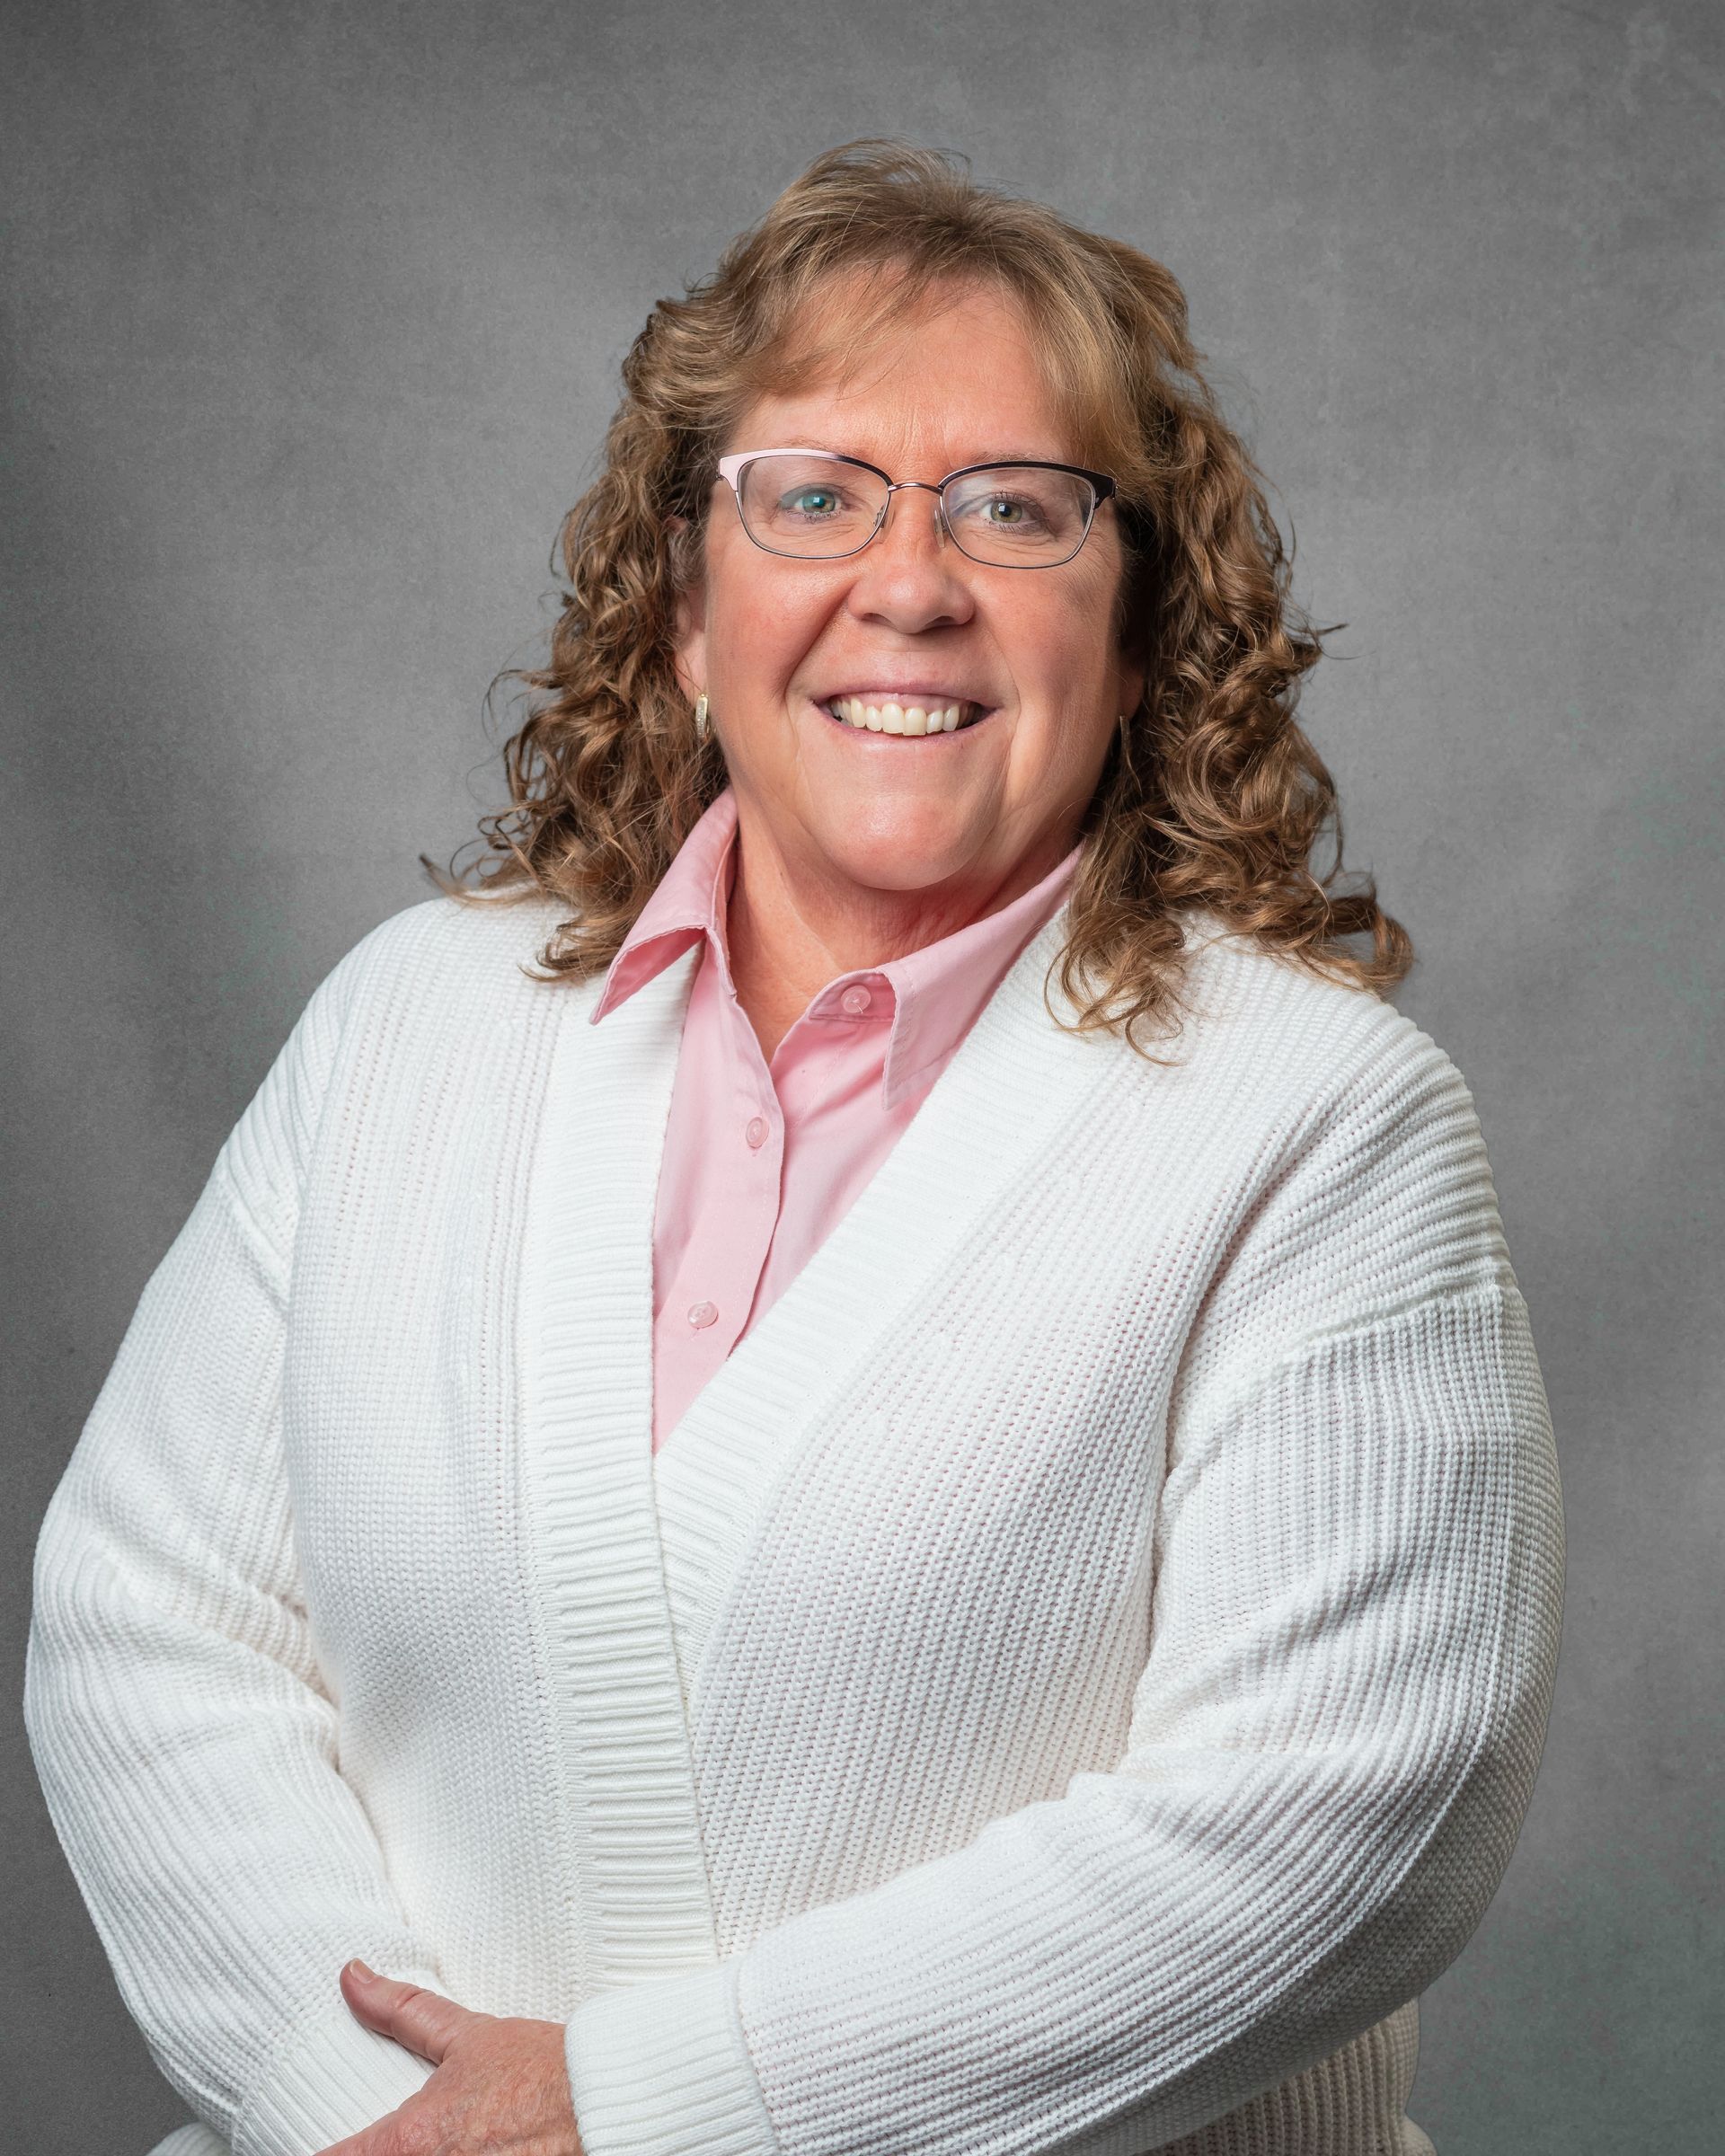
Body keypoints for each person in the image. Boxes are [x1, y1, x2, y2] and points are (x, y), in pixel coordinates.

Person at [23, 138, 1564, 2156]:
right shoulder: (407, 1028)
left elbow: (1340, 1806)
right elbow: (153, 1622)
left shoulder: (1321, 1126)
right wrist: (364, 2115)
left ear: (1137, 627)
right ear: (681, 606)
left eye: (1017, 509)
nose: (908, 584)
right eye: (813, 497)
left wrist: (641, 2117)